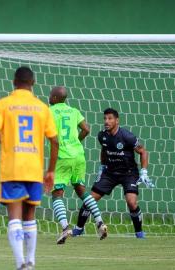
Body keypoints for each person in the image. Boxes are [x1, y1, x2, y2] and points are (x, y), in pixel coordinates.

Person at [0, 67, 59, 270]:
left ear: (14, 82)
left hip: (13, 169)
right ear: (33, 82)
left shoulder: (4, 104)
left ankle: (20, 264)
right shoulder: (42, 107)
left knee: (14, 216)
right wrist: (50, 171)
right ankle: (31, 262)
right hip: (34, 169)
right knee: (30, 216)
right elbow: (55, 140)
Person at [76, 108, 154, 239]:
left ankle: (139, 233)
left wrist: (144, 172)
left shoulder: (127, 136)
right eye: (105, 118)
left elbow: (143, 152)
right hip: (109, 173)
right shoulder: (102, 135)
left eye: (110, 118)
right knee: (89, 200)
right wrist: (102, 166)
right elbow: (104, 150)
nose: (106, 121)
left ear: (117, 120)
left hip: (129, 173)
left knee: (131, 202)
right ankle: (78, 229)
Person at [49, 86, 107, 244]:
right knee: (81, 191)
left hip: (63, 156)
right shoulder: (73, 111)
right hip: (79, 155)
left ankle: (65, 227)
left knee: (57, 193)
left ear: (54, 98)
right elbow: (86, 129)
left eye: (50, 95)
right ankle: (100, 222)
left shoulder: (50, 111)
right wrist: (75, 142)